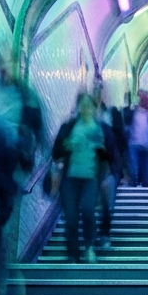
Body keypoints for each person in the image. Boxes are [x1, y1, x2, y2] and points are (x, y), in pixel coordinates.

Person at [0, 63, 44, 295]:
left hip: (9, 179)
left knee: (2, 241)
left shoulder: (25, 99)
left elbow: (38, 135)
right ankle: (15, 291)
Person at [52, 93, 106, 262]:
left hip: (90, 177)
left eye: (88, 105)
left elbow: (105, 155)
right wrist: (67, 146)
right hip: (70, 178)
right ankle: (73, 252)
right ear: (78, 108)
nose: (85, 109)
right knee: (71, 217)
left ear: (93, 108)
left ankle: (89, 247)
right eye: (82, 105)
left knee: (89, 211)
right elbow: (55, 152)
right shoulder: (69, 127)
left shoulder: (99, 129)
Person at [97, 97, 122, 251]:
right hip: (92, 172)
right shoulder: (83, 126)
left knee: (106, 205)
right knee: (102, 205)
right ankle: (99, 236)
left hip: (107, 170)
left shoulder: (110, 125)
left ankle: (104, 234)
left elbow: (117, 146)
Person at [129, 91, 148, 187]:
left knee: (147, 168)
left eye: (146, 99)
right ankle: (134, 182)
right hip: (134, 143)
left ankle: (146, 185)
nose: (145, 101)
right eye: (143, 99)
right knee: (134, 166)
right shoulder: (133, 112)